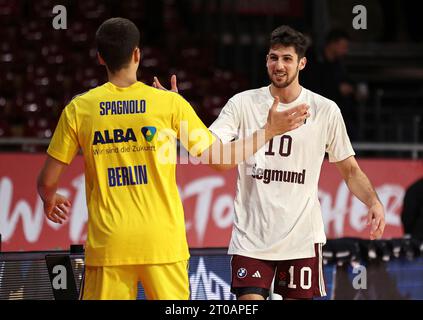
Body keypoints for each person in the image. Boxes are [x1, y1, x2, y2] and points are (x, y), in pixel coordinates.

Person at [37, 18, 309, 300]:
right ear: (137, 54)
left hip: (109, 245)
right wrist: (268, 131)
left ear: (100, 57)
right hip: (163, 244)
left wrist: (49, 198)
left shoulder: (80, 109)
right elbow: (221, 160)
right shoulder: (169, 104)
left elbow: (47, 181)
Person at [154, 25, 385, 300]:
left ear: (302, 63)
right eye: (273, 57)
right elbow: (212, 152)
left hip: (301, 238)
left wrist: (373, 201)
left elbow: (350, 170)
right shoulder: (243, 104)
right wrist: (180, 115)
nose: (279, 65)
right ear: (266, 60)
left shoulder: (325, 110)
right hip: (251, 238)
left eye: (287, 58)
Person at [302, 29, 358, 140]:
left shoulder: (339, 64)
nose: (345, 51)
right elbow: (312, 86)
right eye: (343, 46)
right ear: (333, 44)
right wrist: (337, 89)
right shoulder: (312, 59)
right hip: (313, 112)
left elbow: (348, 82)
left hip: (336, 114)